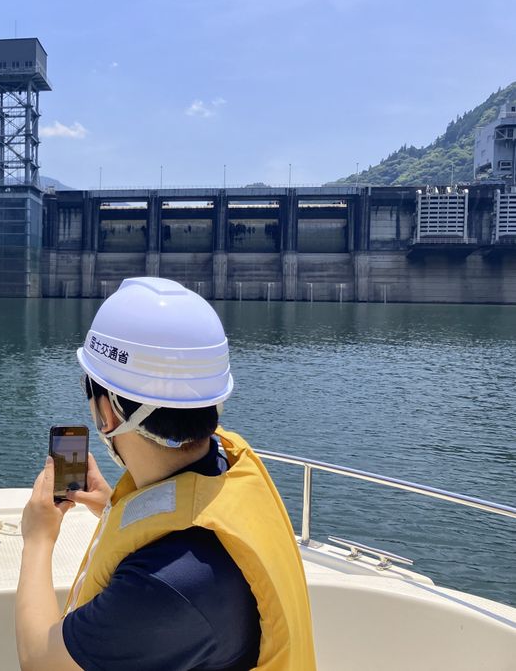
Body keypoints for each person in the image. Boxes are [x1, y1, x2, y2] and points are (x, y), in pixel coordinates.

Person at [16, 277, 316, 671]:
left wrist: (37, 539)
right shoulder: (230, 463)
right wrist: (113, 505)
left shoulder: (166, 584)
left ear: (106, 414)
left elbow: (39, 660)